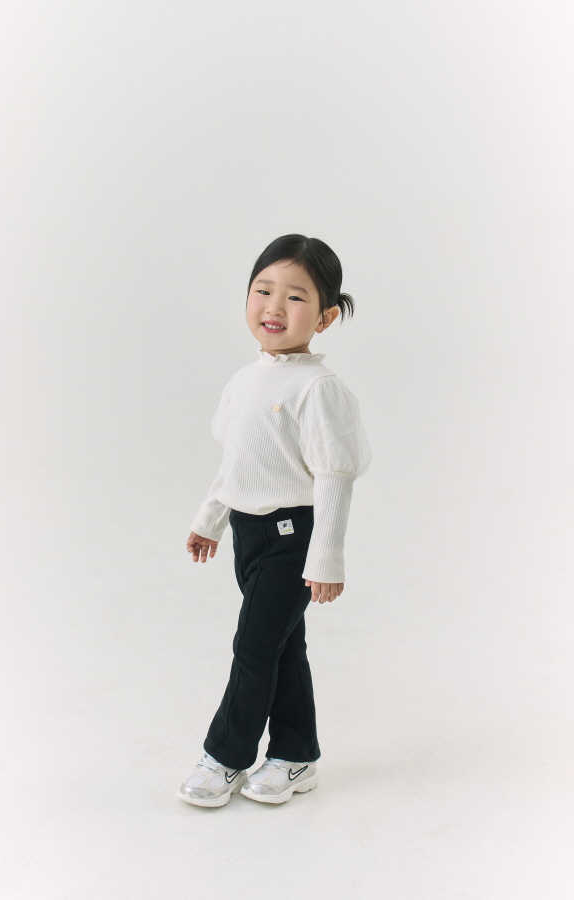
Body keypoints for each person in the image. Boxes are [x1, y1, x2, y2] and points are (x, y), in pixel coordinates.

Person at [177, 234, 372, 807]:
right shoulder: (245, 381)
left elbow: (334, 476)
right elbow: (238, 464)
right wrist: (211, 519)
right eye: (263, 290)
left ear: (326, 317)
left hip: (294, 536)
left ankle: (225, 758)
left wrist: (326, 558)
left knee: (254, 647)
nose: (274, 307)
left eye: (296, 297)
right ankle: (296, 755)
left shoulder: (318, 388)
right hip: (249, 532)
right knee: (282, 647)